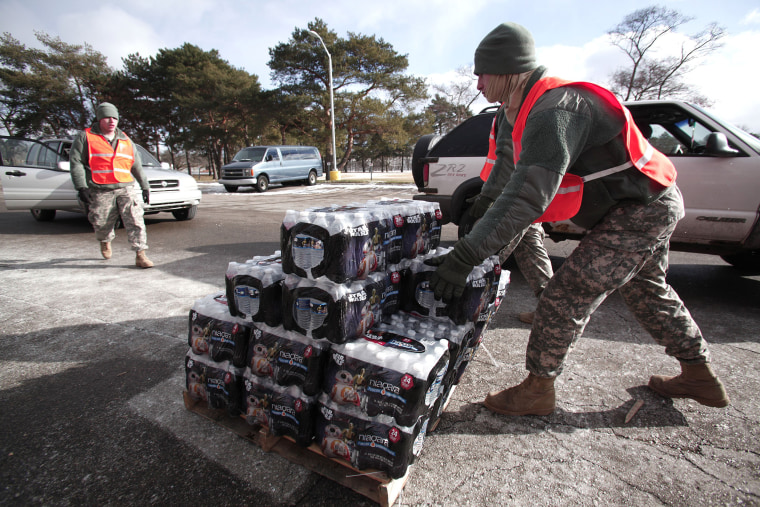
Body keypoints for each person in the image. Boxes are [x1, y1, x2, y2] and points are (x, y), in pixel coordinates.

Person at [427, 22, 729, 416]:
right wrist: (481, 210)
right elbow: (505, 171)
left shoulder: (557, 110)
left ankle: (537, 389)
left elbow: (526, 197)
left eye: (481, 73)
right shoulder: (512, 111)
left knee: (564, 296)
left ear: (507, 69)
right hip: (633, 205)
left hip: (643, 207)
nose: (478, 84)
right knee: (647, 291)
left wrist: (465, 255)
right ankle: (699, 375)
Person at [70, 102, 154, 268]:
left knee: (135, 220)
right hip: (100, 189)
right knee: (101, 222)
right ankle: (105, 240)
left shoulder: (125, 139)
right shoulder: (85, 137)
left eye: (114, 118)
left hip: (126, 187)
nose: (111, 121)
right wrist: (81, 187)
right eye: (107, 117)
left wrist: (145, 186)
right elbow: (76, 162)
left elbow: (136, 165)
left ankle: (140, 254)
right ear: (99, 118)